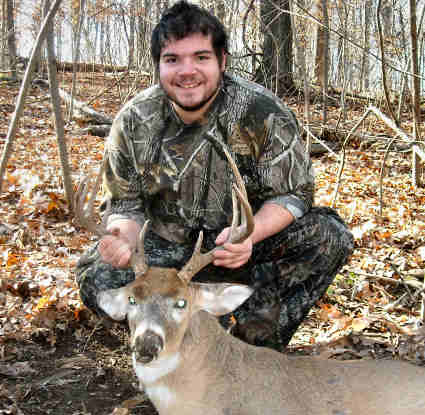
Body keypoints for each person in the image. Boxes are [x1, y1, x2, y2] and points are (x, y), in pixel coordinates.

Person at [76, 0, 353, 350]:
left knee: (329, 236)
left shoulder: (262, 112)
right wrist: (123, 240)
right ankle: (176, 340)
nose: (186, 71)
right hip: (168, 252)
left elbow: (294, 194)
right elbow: (125, 204)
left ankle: (255, 343)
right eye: (172, 59)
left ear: (222, 61)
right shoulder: (135, 120)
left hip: (243, 246)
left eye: (201, 57)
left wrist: (249, 237)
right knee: (98, 275)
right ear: (158, 66)